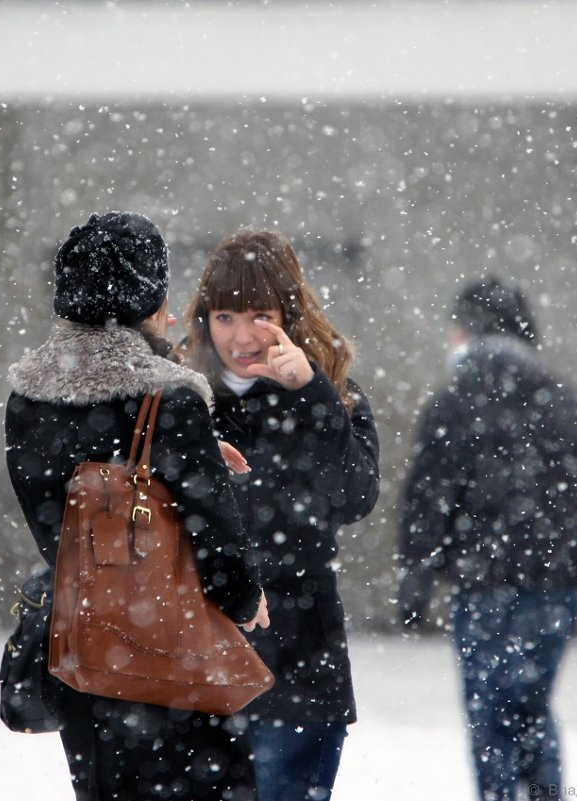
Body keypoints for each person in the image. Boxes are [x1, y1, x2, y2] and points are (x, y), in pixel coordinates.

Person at [5, 212, 270, 801]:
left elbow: (63, 520)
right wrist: (245, 596)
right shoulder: (167, 395)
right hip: (166, 657)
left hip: (84, 653)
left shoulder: (26, 397)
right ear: (146, 294)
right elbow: (214, 534)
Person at [398, 276, 577, 801]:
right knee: (533, 708)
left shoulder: (454, 400)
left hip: (483, 586)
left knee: (488, 715)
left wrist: (416, 583)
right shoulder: (560, 398)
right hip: (554, 583)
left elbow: (428, 501)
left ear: (467, 330)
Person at [180, 230, 381, 801]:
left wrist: (309, 394)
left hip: (298, 662)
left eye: (259, 315)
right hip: (193, 661)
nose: (242, 336)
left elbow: (354, 498)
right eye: (224, 316)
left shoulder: (330, 392)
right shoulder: (180, 399)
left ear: (288, 316)